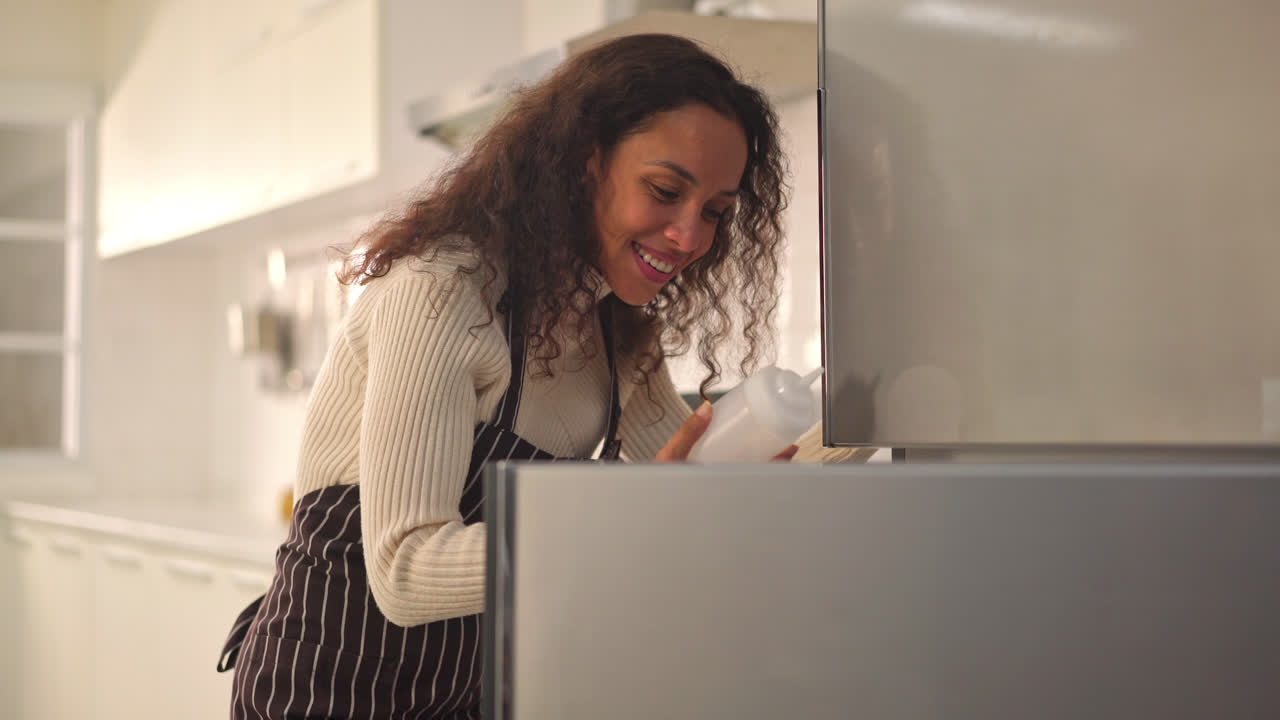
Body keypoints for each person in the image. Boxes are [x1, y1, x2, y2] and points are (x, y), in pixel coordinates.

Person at [216, 32, 838, 720]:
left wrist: (861, 411)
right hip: (325, 694)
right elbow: (405, 571)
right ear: (584, 164)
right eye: (665, 191)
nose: (691, 237)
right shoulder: (442, 293)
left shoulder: (618, 329)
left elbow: (699, 478)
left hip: (463, 695)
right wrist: (617, 518)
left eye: (716, 212)